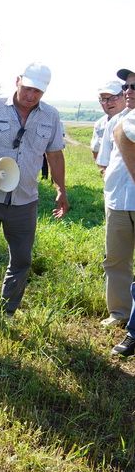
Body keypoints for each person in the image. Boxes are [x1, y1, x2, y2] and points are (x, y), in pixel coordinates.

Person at [0, 62, 69, 318]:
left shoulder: (51, 116)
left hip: (25, 200)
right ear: (17, 81)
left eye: (38, 92)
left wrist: (61, 189)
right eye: (28, 88)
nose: (31, 96)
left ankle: (8, 310)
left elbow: (54, 155)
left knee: (22, 259)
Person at [95, 69, 135, 329]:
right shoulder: (115, 122)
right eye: (127, 87)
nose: (129, 92)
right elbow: (104, 162)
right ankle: (120, 313)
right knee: (116, 260)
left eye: (134, 87)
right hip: (118, 202)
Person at [90, 80, 125, 164]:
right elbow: (96, 151)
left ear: (124, 96)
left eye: (114, 97)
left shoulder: (131, 121)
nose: (109, 103)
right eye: (104, 99)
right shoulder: (100, 124)